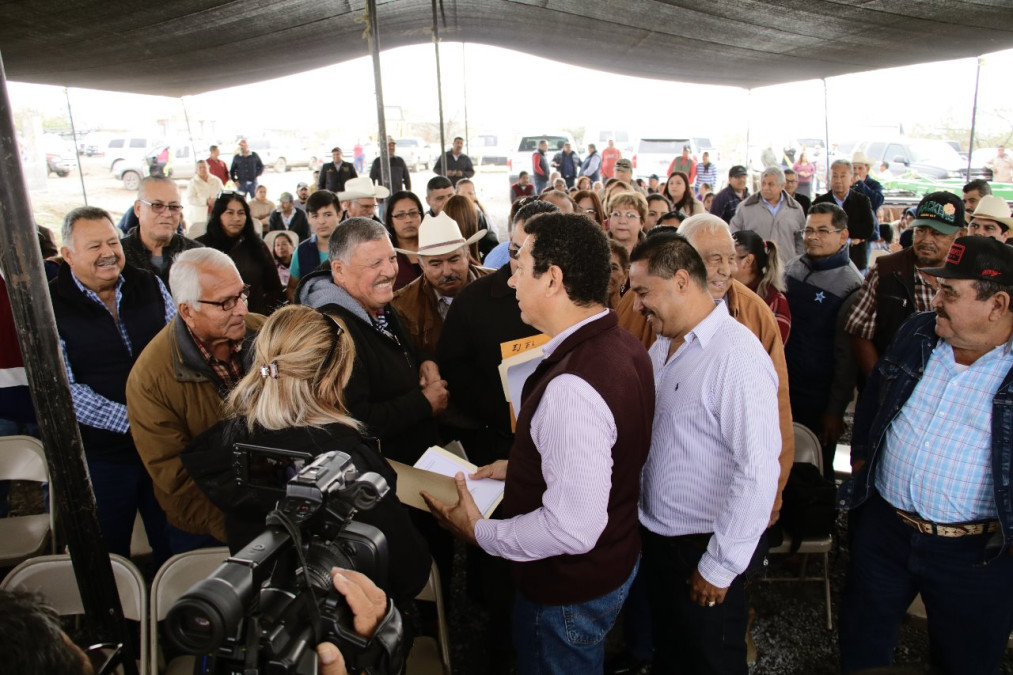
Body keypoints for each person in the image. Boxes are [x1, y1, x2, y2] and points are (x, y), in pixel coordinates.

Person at [423, 213, 655, 674]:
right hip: (611, 562)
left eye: (520, 266)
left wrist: (481, 533)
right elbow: (603, 453)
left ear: (552, 279)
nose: (510, 282)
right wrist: (522, 466)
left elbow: (571, 528)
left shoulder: (573, 386)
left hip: (566, 591)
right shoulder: (622, 344)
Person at [839, 235, 1013, 674]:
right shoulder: (918, 332)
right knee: (861, 646)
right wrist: (863, 464)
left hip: (976, 556)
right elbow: (874, 399)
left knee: (965, 662)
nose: (936, 299)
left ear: (998, 304)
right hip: (885, 532)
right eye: (937, 288)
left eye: (950, 292)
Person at [182, 305, 431, 605]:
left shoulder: (236, 451)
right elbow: (408, 570)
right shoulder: (347, 465)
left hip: (269, 623)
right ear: (330, 382)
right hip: (352, 629)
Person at [629, 230, 780, 674]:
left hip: (702, 545)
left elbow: (757, 471)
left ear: (680, 281)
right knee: (674, 656)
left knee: (710, 661)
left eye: (643, 292)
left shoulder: (735, 356)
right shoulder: (663, 345)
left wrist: (720, 565)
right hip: (659, 540)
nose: (637, 305)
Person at [617, 215, 795, 525]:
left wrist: (771, 501)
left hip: (708, 527)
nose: (726, 269)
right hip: (648, 515)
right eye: (712, 259)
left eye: (730, 258)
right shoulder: (644, 308)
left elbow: (774, 422)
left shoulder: (752, 320)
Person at [51, 206, 173, 564]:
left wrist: (163, 422)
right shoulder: (50, 304)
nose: (108, 253)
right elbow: (64, 390)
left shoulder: (148, 283)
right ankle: (116, 619)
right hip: (100, 457)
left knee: (173, 542)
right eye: (94, 246)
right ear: (67, 255)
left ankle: (169, 616)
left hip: (161, 450)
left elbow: (175, 351)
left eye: (112, 241)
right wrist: (136, 422)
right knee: (106, 554)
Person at [126, 248, 266, 551]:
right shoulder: (150, 380)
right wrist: (242, 529)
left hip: (276, 505)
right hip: (209, 528)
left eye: (242, 294)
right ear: (187, 310)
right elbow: (176, 477)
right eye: (226, 302)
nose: (241, 309)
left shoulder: (265, 332)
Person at [295, 217, 445, 464]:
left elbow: (396, 347)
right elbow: (354, 420)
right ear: (339, 270)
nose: (389, 271)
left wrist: (424, 361)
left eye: (392, 258)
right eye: (375, 263)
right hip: (382, 478)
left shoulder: (375, 301)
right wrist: (423, 403)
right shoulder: (332, 333)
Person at [438, 199, 557, 467]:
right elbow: (454, 370)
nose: (519, 263)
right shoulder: (472, 300)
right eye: (514, 251)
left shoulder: (574, 298)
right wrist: (504, 413)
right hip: (495, 446)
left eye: (531, 254)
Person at [845, 192, 966, 379]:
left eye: (937, 233)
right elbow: (859, 332)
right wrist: (881, 384)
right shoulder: (887, 269)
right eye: (921, 230)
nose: (926, 239)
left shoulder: (968, 277)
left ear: (960, 235)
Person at [784, 203, 864, 475]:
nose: (812, 237)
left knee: (812, 471)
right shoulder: (791, 268)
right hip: (783, 387)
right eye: (808, 230)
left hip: (817, 398)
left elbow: (847, 359)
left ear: (843, 236)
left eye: (822, 230)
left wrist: (835, 410)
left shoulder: (851, 285)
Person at [391, 211, 492, 354]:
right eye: (436, 264)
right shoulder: (402, 305)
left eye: (454, 259)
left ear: (467, 254)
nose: (447, 271)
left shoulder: (500, 284)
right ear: (421, 264)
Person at [197, 192, 285, 315]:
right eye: (230, 213)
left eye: (241, 213)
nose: (236, 218)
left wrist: (264, 316)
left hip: (253, 320)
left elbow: (274, 288)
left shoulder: (257, 246)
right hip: (213, 322)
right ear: (218, 215)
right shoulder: (200, 248)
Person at [120, 176, 202, 288]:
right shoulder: (118, 256)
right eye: (157, 205)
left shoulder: (196, 254)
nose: (167, 214)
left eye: (174, 207)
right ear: (138, 209)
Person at [729, 166, 806, 265]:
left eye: (770, 184)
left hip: (787, 267)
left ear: (782, 186)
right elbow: (734, 236)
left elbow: (801, 239)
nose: (765, 188)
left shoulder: (795, 208)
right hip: (755, 268)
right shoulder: (745, 207)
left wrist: (797, 259)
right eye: (763, 183)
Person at [812, 159, 876, 271]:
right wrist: (852, 236)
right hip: (826, 261)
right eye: (835, 176)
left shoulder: (862, 201)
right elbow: (815, 231)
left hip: (856, 262)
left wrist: (833, 230)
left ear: (851, 179)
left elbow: (868, 229)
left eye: (842, 176)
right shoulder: (819, 203)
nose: (838, 180)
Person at [731, 229, 791, 344]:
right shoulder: (721, 291)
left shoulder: (774, 301)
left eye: (730, 258)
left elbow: (774, 350)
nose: (723, 264)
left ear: (747, 261)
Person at [288, 190, 342, 300]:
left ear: (339, 214)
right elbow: (292, 287)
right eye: (315, 216)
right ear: (308, 218)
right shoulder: (301, 251)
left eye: (327, 214)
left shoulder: (354, 246)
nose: (321, 221)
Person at [383, 190, 424, 291]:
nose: (408, 220)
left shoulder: (435, 246)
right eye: (400, 215)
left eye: (413, 213)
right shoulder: (384, 254)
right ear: (391, 221)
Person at [185, 159, 223, 239]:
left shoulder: (216, 180)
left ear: (208, 167)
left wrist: (216, 200)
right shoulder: (193, 183)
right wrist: (205, 201)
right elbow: (190, 199)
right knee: (201, 235)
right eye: (200, 167)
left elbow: (222, 193)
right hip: (200, 214)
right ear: (196, 170)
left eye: (204, 167)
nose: (203, 169)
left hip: (215, 211)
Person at [608, 190, 649, 258]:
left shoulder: (652, 251)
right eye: (616, 214)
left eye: (630, 215)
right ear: (609, 219)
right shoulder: (597, 247)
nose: (622, 221)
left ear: (641, 222)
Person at [608, 240, 630, 309]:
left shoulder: (633, 312)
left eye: (613, 268)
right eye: (600, 267)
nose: (607, 274)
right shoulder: (580, 315)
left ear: (625, 276)